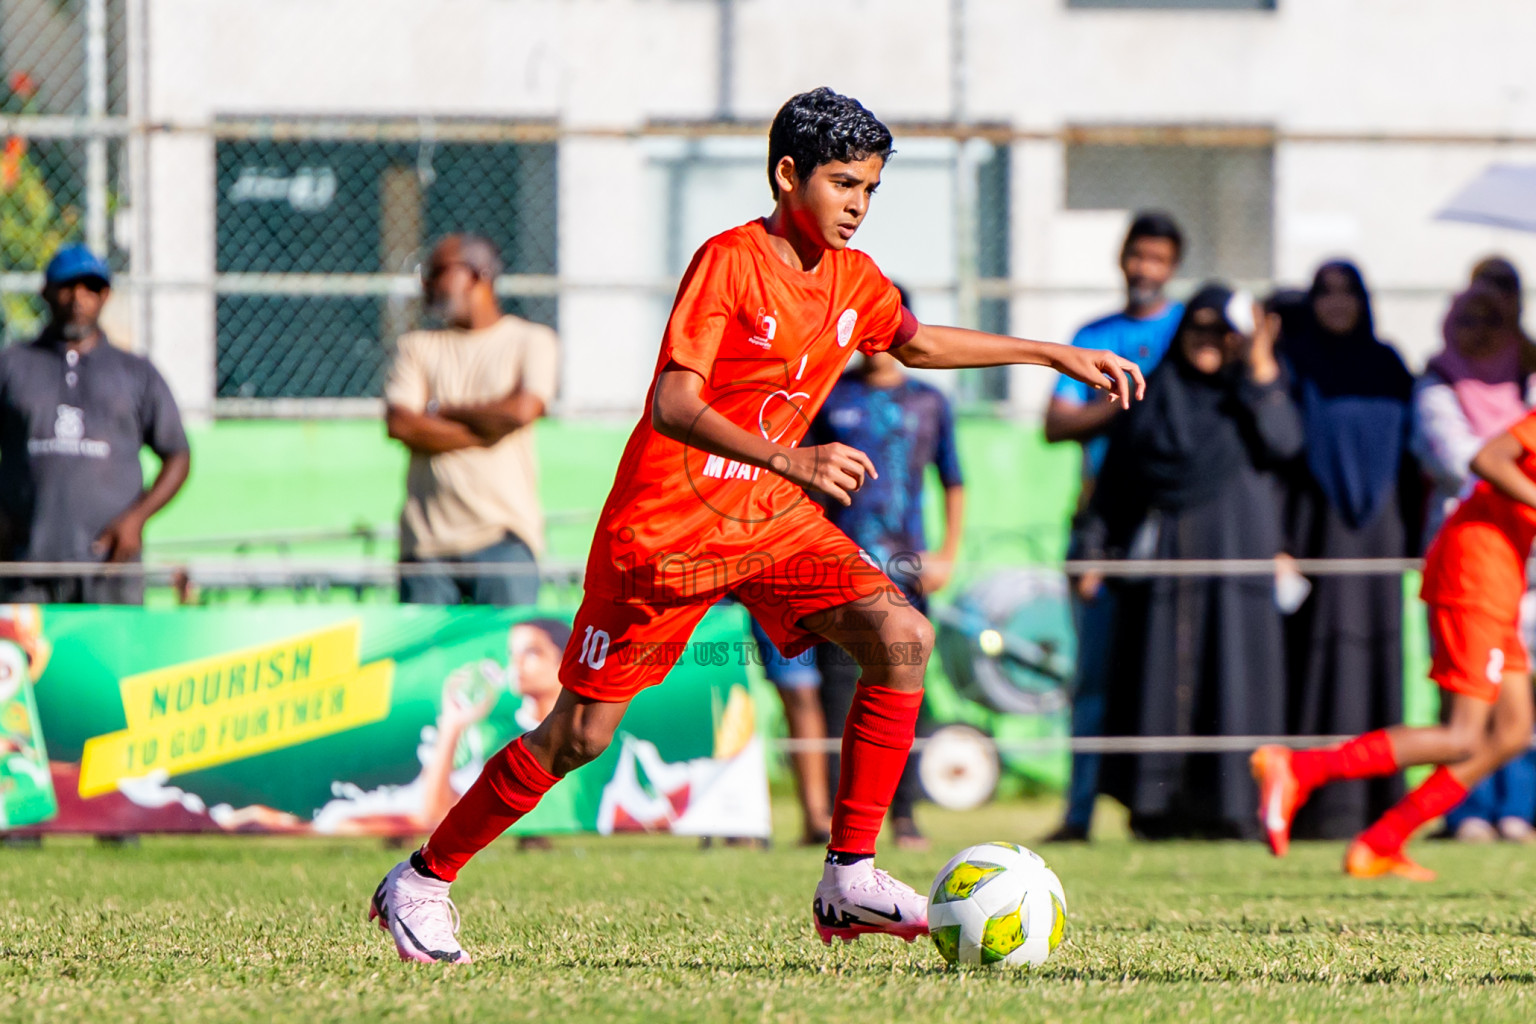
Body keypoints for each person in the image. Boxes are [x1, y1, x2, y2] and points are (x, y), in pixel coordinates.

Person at [366, 87, 1144, 965]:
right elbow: (673, 401)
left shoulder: (855, 277)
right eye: (844, 183)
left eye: (870, 189)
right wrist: (790, 459)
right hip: (664, 535)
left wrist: (1049, 352)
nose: (856, 204)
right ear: (787, 175)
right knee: (577, 736)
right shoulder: (730, 262)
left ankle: (850, 876)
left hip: (770, 524)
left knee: (901, 636)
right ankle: (423, 879)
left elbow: (915, 343)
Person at [1254, 412, 1536, 880]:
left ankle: (1381, 842)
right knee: (1463, 735)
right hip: (1476, 569)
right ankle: (1300, 768)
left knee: (1511, 731)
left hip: (1501, 576)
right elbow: (1486, 458)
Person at [1085, 285, 1302, 839]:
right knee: (1158, 675)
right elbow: (1116, 486)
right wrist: (1091, 549)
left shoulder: (1251, 394)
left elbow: (1284, 444)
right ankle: (1159, 809)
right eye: (1197, 329)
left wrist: (1258, 362)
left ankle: (1236, 807)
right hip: (1166, 561)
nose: (1208, 342)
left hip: (1238, 558)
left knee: (1235, 673)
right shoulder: (1155, 396)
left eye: (1220, 331)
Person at [1042, 211, 1184, 843]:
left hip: (1171, 527)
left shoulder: (1187, 329)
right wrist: (1121, 401)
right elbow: (1055, 423)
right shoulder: (1094, 334)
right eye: (1136, 256)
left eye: (1156, 258)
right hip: (1099, 527)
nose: (1143, 269)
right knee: (1093, 677)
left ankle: (1159, 808)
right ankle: (1079, 812)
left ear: (1173, 265)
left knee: (1163, 668)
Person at [805, 304, 967, 852]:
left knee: (905, 688)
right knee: (836, 694)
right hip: (838, 565)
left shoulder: (930, 400)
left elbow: (954, 479)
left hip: (907, 569)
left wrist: (947, 551)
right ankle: (839, 823)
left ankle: (905, 815)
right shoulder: (831, 395)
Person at [1277, 261, 1419, 841]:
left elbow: (1411, 459)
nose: (1337, 304)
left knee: (1379, 656)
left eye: (1348, 293)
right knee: (1323, 658)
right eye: (1325, 294)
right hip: (1319, 528)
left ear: (1365, 299)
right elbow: (1283, 456)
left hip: (1381, 527)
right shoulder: (1298, 364)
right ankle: (1323, 807)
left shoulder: (1386, 364)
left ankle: (1379, 803)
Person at [1413, 274, 1536, 843]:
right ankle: (1465, 811)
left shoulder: (1529, 374)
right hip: (1475, 553)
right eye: (1468, 318)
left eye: (1493, 318)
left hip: (1523, 558)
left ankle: (1517, 809)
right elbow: (1471, 457)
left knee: (1516, 719)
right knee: (1467, 710)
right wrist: (1516, 454)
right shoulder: (1439, 379)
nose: (1481, 332)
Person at [0, 244, 190, 604]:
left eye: (91, 288)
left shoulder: (136, 373)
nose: (78, 298)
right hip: (25, 569)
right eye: (67, 287)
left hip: (110, 570)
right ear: (46, 292)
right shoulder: (12, 365)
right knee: (26, 661)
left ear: (106, 296)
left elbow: (177, 455)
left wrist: (136, 518)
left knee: (120, 660)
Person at [384, 234, 558, 607]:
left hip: (504, 540)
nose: (426, 284)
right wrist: (486, 433)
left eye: (436, 272)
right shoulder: (417, 347)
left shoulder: (531, 340)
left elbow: (522, 411)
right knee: (426, 666)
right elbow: (401, 424)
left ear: (477, 275)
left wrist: (439, 410)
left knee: (508, 661)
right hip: (426, 546)